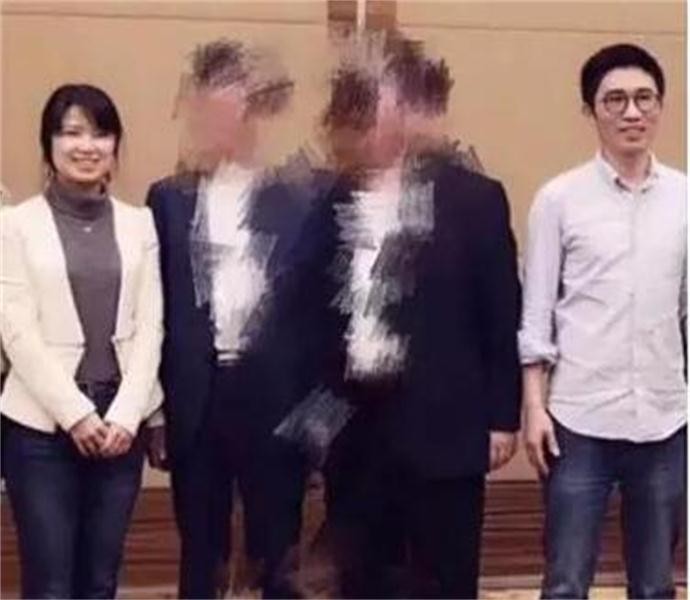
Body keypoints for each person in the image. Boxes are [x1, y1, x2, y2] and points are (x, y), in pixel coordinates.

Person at [302, 33, 522, 598]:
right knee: (363, 579)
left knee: (444, 580)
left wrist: (502, 418)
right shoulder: (330, 200)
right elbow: (313, 322)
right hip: (357, 433)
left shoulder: (474, 198)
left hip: (445, 428)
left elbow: (500, 312)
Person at [145, 39, 314, 599]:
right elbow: (156, 308)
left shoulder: (297, 197)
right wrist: (157, 410)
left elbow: (315, 316)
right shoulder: (169, 199)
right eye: (211, 93)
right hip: (199, 391)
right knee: (201, 549)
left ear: (256, 105)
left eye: (236, 93)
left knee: (277, 549)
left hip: (274, 396)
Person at [520, 43, 686, 599]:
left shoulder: (685, 199)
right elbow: (537, 315)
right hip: (578, 423)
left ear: (660, 106)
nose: (631, 112)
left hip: (665, 421)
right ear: (591, 110)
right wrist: (534, 408)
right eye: (615, 100)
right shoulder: (559, 200)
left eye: (644, 98)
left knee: (656, 584)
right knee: (566, 582)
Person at [0, 83, 163, 599]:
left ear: (115, 145)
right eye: (72, 133)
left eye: (100, 133)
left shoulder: (140, 223)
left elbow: (150, 326)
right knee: (50, 585)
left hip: (120, 427)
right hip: (40, 431)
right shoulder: (14, 225)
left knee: (99, 581)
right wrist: (76, 414)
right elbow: (16, 330)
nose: (87, 146)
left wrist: (126, 415)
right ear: (49, 144)